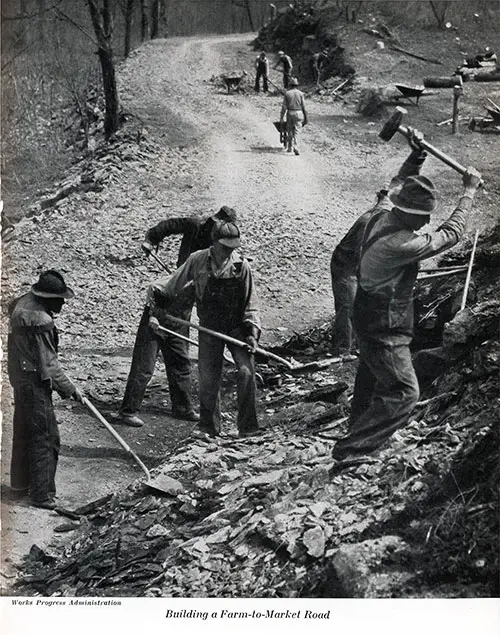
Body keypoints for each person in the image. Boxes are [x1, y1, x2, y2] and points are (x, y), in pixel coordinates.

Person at [331, 155, 482, 464]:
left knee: (371, 375)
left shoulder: (381, 212)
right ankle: (353, 449)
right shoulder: (401, 244)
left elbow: (398, 181)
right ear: (408, 213)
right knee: (405, 391)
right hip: (385, 324)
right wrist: (468, 191)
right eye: (423, 216)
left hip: (366, 312)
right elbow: (450, 235)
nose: (427, 222)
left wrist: (416, 156)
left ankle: (358, 430)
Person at [118, 206, 238, 427]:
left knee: (180, 361)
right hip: (160, 309)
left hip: (180, 314)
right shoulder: (193, 261)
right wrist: (154, 316)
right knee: (145, 365)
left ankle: (182, 408)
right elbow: (157, 289)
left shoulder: (217, 268)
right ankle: (127, 411)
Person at [153, 220, 261, 438]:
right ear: (214, 243)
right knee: (208, 376)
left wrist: (252, 333)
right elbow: (173, 283)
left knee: (246, 372)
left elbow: (251, 304)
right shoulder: (198, 260)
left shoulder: (242, 266)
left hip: (237, 326)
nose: (228, 252)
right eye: (224, 247)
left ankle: (248, 428)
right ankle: (209, 427)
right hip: (210, 326)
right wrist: (158, 305)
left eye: (233, 248)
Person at [330, 132, 428, 356]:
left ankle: (359, 345)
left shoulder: (389, 206)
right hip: (346, 264)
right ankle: (341, 353)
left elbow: (401, 180)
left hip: (364, 262)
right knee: (348, 306)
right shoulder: (376, 225)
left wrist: (418, 155)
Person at [7, 270, 84, 509]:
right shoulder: (40, 320)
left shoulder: (22, 303)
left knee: (23, 430)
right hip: (33, 380)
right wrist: (71, 390)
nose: (62, 303)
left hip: (19, 376)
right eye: (59, 299)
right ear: (46, 298)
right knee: (46, 436)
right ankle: (42, 495)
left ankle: (19, 486)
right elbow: (48, 364)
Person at [280, 77, 308, 155]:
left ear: (290, 85)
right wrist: (306, 117)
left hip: (290, 113)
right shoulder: (301, 94)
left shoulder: (287, 93)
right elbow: (304, 107)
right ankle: (296, 146)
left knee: (289, 130)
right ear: (297, 85)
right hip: (299, 113)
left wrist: (281, 117)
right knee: (297, 131)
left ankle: (289, 147)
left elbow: (284, 107)